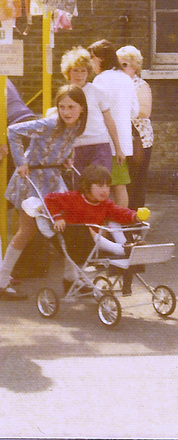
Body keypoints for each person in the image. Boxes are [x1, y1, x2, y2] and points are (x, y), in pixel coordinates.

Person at [0, 84, 88, 300]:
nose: (66, 112)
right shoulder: (49, 124)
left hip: (53, 178)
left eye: (71, 107)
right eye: (62, 107)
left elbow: (66, 144)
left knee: (69, 226)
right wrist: (21, 162)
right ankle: (2, 282)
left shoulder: (77, 126)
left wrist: (67, 158)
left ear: (82, 108)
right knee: (27, 230)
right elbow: (13, 131)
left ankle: (71, 278)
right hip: (32, 180)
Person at [43, 164, 146, 292]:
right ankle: (121, 249)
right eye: (100, 186)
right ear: (86, 187)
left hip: (90, 243)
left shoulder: (105, 204)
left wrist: (135, 216)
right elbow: (49, 198)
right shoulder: (73, 198)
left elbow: (119, 212)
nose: (105, 190)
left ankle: (124, 244)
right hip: (74, 239)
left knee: (113, 218)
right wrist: (57, 217)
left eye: (107, 186)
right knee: (88, 229)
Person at [88, 40, 139, 208]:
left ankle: (107, 228)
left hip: (104, 141)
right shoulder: (127, 79)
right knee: (120, 185)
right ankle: (120, 224)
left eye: (92, 58)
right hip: (123, 142)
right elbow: (135, 111)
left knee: (102, 186)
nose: (91, 62)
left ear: (101, 59)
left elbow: (96, 111)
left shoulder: (100, 80)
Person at [61, 46, 123, 175]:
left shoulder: (97, 91)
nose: (79, 75)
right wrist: (64, 152)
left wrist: (118, 148)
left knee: (99, 183)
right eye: (75, 70)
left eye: (83, 71)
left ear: (88, 72)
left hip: (99, 145)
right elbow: (62, 126)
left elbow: (109, 120)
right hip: (77, 147)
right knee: (81, 188)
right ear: (68, 72)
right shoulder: (64, 94)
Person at [117, 45, 154, 210]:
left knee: (136, 182)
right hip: (117, 140)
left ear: (135, 67)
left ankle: (135, 222)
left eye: (124, 65)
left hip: (138, 141)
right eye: (117, 65)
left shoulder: (141, 85)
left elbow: (145, 111)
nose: (120, 68)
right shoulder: (114, 83)